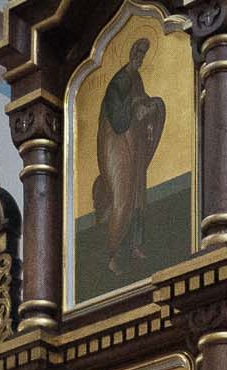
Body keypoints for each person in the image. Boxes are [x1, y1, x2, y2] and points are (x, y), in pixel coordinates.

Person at [94, 37, 167, 281]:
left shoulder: (136, 79)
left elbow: (141, 101)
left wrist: (150, 108)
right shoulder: (119, 81)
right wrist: (136, 107)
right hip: (117, 145)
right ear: (131, 53)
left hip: (133, 144)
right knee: (123, 196)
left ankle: (135, 246)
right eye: (138, 52)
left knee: (137, 195)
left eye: (143, 54)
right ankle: (113, 255)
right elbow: (116, 115)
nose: (140, 57)